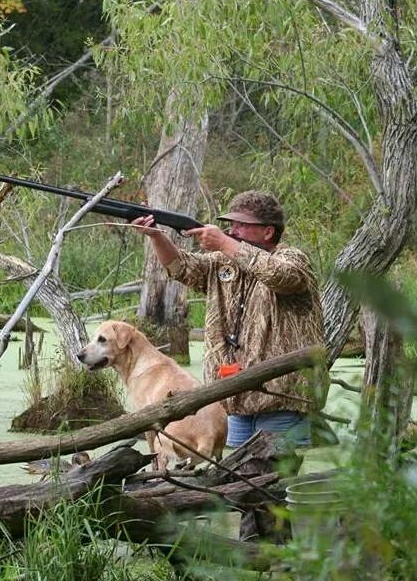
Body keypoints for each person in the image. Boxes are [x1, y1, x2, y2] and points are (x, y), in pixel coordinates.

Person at [130, 190, 328, 450]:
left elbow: (282, 276)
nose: (232, 231)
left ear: (268, 232)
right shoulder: (224, 263)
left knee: (275, 481)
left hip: (282, 399)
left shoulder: (292, 259)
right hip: (235, 399)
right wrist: (156, 236)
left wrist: (224, 243)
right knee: (236, 479)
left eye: (241, 225)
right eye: (231, 225)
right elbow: (181, 266)